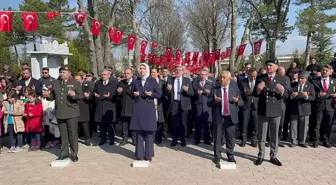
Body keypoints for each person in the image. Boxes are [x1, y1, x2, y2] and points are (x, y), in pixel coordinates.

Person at [254, 59, 289, 166]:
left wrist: (282, 91)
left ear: (276, 67)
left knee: (274, 134)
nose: (268, 67)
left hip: (275, 109)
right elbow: (255, 94)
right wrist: (258, 90)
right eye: (267, 65)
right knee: (262, 134)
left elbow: (287, 95)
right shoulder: (261, 77)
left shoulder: (282, 78)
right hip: (263, 109)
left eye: (270, 65)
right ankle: (261, 155)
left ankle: (273, 156)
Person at [49, 65, 83, 162]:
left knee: (72, 134)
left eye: (64, 72)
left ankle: (74, 153)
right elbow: (52, 96)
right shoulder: (55, 82)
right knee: (63, 134)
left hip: (72, 112)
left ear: (69, 74)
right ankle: (64, 153)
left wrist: (74, 95)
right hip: (60, 112)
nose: (62, 74)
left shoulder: (75, 83)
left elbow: (81, 96)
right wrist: (47, 95)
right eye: (61, 72)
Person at [209, 71, 243, 163]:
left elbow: (241, 102)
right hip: (219, 117)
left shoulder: (234, 88)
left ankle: (230, 155)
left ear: (229, 79)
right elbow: (209, 103)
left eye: (224, 77)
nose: (221, 79)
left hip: (230, 117)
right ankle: (217, 155)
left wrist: (237, 101)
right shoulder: (215, 89)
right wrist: (215, 101)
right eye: (220, 77)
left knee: (230, 137)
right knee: (217, 137)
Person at [130, 63, 161, 161]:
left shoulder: (152, 80)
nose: (142, 70)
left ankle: (148, 155)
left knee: (149, 132)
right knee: (138, 132)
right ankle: (139, 154)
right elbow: (131, 93)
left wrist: (151, 94)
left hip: (148, 108)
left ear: (147, 70)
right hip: (138, 108)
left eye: (144, 68)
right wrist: (134, 94)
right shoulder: (135, 81)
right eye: (140, 68)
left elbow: (159, 94)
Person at [166, 65, 194, 147]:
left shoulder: (187, 80)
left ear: (183, 71)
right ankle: (174, 139)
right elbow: (166, 93)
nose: (178, 71)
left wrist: (187, 90)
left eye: (180, 70)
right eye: (176, 70)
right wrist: (168, 90)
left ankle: (183, 139)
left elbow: (192, 93)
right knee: (174, 122)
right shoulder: (170, 80)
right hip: (174, 103)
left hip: (184, 104)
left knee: (183, 123)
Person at [288, 70, 315, 148]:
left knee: (303, 126)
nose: (300, 80)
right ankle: (293, 141)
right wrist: (292, 95)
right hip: (294, 109)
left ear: (306, 79)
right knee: (293, 126)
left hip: (305, 109)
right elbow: (288, 96)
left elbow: (313, 97)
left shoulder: (310, 86)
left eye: (302, 78)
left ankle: (302, 141)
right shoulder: (293, 85)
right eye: (299, 78)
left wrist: (306, 96)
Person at [311, 64, 335, 148]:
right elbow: (312, 93)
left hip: (330, 106)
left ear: (330, 72)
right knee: (317, 124)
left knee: (328, 124)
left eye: (326, 70)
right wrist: (318, 94)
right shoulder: (315, 81)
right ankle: (316, 140)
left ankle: (325, 140)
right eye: (323, 70)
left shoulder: (334, 81)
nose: (324, 72)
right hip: (319, 105)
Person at [93, 69, 118, 146]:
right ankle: (103, 139)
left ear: (109, 75)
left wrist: (110, 96)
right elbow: (94, 92)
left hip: (109, 106)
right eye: (102, 74)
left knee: (110, 125)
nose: (103, 76)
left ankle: (111, 139)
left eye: (105, 74)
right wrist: (95, 95)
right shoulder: (98, 83)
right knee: (101, 124)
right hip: (100, 106)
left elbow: (116, 96)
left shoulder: (114, 84)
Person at [192, 68, 214, 145]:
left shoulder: (211, 83)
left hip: (207, 106)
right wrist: (196, 92)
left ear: (207, 75)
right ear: (199, 75)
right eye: (201, 74)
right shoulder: (195, 83)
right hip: (198, 106)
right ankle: (197, 139)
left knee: (207, 124)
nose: (202, 76)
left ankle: (206, 139)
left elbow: (214, 94)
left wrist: (209, 93)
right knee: (198, 124)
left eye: (204, 74)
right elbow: (192, 93)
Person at [240, 68, 258, 147]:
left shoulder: (258, 81)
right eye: (252, 76)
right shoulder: (243, 81)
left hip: (255, 105)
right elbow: (238, 92)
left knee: (255, 122)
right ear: (248, 75)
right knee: (244, 122)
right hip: (246, 104)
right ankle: (243, 138)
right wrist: (244, 93)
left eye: (255, 76)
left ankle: (254, 138)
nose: (254, 78)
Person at [117, 68, 135, 146]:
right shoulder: (121, 82)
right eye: (125, 73)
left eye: (128, 73)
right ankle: (125, 139)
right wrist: (118, 92)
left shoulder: (135, 82)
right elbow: (117, 94)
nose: (126, 75)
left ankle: (134, 139)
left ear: (132, 74)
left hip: (133, 106)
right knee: (124, 123)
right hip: (124, 106)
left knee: (133, 123)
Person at [75, 74, 92, 146]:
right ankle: (76, 137)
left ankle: (87, 138)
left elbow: (91, 97)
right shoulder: (73, 87)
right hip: (75, 107)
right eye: (75, 80)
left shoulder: (86, 87)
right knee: (75, 125)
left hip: (84, 107)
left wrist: (87, 97)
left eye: (78, 80)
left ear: (82, 80)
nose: (76, 81)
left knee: (85, 125)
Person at [150, 68, 166, 144]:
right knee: (151, 121)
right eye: (151, 72)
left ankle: (159, 138)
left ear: (157, 73)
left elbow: (165, 95)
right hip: (150, 103)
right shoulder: (148, 82)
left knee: (159, 122)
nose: (152, 73)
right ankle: (152, 137)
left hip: (160, 104)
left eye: (154, 72)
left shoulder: (163, 83)